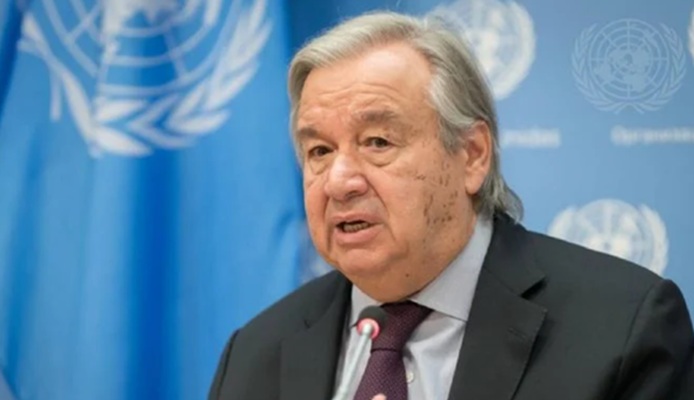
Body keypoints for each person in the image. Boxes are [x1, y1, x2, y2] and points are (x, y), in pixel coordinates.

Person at [208, 11, 694, 400]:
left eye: (377, 142)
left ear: (472, 155)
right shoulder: (256, 354)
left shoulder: (622, 328)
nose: (338, 181)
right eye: (319, 151)